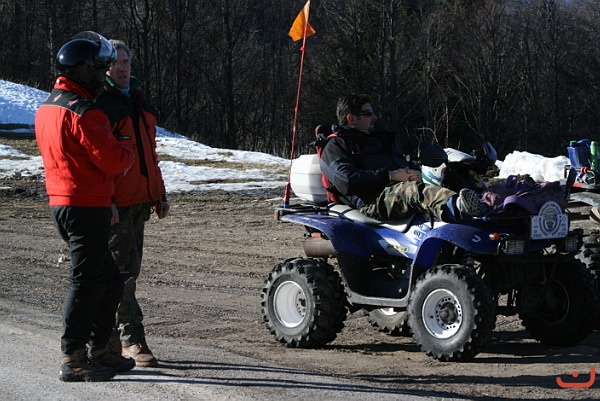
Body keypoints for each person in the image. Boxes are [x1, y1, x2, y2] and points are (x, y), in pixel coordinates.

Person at [35, 32, 137, 382]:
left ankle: (99, 349)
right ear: (84, 70)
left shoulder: (50, 104)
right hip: (84, 204)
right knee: (87, 281)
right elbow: (112, 160)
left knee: (106, 278)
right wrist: (127, 151)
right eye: (99, 68)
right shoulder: (85, 111)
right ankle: (74, 356)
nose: (103, 74)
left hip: (65, 202)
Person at [94, 39, 168, 367]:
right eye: (116, 63)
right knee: (123, 276)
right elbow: (99, 161)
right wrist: (106, 200)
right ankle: (130, 340)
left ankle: (107, 339)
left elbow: (150, 154)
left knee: (128, 272)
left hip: (140, 201)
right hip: (116, 205)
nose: (122, 68)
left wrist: (159, 194)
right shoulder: (101, 104)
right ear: (105, 68)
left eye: (126, 62)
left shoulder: (138, 100)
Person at [319, 93, 491, 222]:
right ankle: (460, 208)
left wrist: (415, 173)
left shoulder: (379, 139)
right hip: (372, 200)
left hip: (396, 192)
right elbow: (346, 181)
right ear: (351, 119)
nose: (374, 117)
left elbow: (401, 163)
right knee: (413, 191)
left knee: (448, 177)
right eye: (368, 113)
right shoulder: (335, 146)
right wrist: (391, 176)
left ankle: (489, 207)